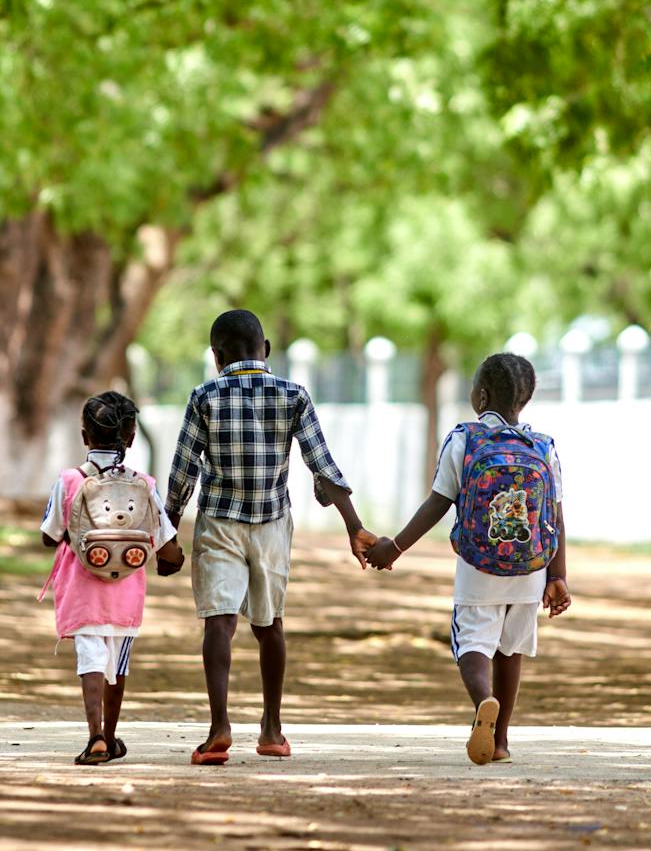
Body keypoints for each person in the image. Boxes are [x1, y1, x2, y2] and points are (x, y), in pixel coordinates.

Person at [166, 309, 376, 765]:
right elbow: (323, 466)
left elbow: (183, 470)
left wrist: (168, 529)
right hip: (272, 525)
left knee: (219, 621)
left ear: (216, 356)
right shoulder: (292, 394)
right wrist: (353, 525)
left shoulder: (205, 395)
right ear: (265, 350)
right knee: (269, 625)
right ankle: (271, 729)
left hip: (219, 523)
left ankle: (219, 726)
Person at [367, 352, 571, 766]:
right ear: (526, 399)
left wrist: (395, 547)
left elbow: (437, 504)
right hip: (530, 572)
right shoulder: (544, 447)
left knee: (472, 644)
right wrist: (558, 576)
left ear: (480, 396)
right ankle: (501, 742)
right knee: (510, 650)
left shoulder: (465, 438)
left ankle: (484, 700)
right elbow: (557, 515)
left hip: (478, 568)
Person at [40, 391, 185, 766]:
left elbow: (49, 534)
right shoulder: (145, 485)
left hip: (82, 593)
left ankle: (95, 737)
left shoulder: (70, 481)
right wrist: (175, 559)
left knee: (90, 658)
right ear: (132, 436)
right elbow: (167, 544)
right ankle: (113, 732)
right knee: (116, 666)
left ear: (85, 436)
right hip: (125, 596)